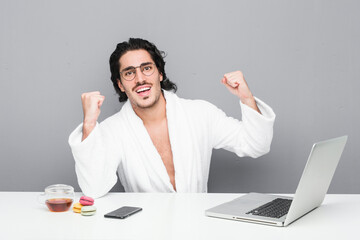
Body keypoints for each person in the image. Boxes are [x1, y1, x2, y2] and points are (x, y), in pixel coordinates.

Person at [68, 38, 276, 198]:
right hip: (142, 230)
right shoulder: (113, 130)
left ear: (160, 73)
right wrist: (89, 124)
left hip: (197, 228)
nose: (140, 79)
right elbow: (94, 188)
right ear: (120, 84)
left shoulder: (200, 114)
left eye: (147, 68)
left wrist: (247, 98)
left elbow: (256, 145)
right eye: (129, 73)